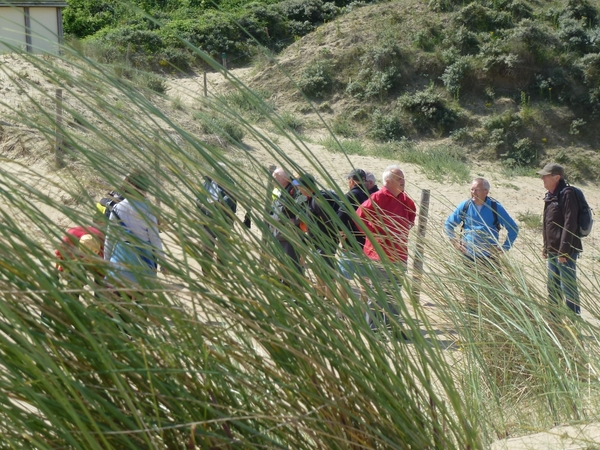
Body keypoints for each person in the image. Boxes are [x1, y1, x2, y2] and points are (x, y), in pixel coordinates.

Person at [356, 165, 416, 330]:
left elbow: (411, 218)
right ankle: (373, 327)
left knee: (394, 294)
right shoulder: (378, 197)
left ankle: (392, 327)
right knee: (377, 292)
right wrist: (373, 236)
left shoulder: (406, 200)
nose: (403, 181)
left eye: (403, 178)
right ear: (388, 181)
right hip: (378, 255)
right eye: (399, 178)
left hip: (400, 255)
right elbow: (359, 217)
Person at [104, 169, 165, 289]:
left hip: (120, 262)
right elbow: (155, 239)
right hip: (143, 263)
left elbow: (109, 239)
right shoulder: (147, 210)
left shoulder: (117, 208)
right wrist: (163, 262)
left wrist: (107, 262)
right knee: (142, 301)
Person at [445, 178, 519, 270]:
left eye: (477, 190)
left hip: (489, 258)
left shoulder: (495, 207)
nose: (473, 192)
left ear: (486, 192)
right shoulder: (465, 206)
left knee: (493, 284)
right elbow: (448, 224)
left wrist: (504, 247)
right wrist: (455, 242)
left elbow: (513, 229)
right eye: (472, 189)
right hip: (469, 256)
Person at [538, 163, 581, 315]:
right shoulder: (551, 195)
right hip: (552, 249)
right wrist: (546, 246)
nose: (542, 178)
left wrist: (564, 251)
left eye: (546, 175)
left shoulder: (566, 193)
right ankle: (554, 319)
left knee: (567, 286)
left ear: (556, 177)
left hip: (565, 250)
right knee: (553, 285)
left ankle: (573, 320)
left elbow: (570, 223)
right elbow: (547, 223)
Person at [294, 173, 341, 298]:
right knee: (320, 271)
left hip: (325, 243)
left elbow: (329, 221)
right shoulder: (312, 199)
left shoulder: (317, 200)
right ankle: (320, 296)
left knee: (327, 272)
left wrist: (332, 238)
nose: (299, 190)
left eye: (300, 187)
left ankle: (329, 299)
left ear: (307, 187)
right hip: (319, 242)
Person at [196, 166, 238, 275]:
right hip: (208, 220)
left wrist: (215, 204)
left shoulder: (229, 184)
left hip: (224, 221)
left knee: (223, 248)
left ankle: (222, 271)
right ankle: (206, 272)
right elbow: (199, 197)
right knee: (207, 246)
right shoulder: (207, 182)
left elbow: (229, 200)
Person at [337, 169, 369, 281]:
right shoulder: (370, 195)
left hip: (352, 244)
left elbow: (340, 219)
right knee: (365, 280)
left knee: (343, 279)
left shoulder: (350, 196)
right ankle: (364, 299)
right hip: (368, 245)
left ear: (351, 181)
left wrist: (343, 239)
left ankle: (341, 299)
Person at [270, 168, 302, 276]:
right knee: (281, 259)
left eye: (275, 178)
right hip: (279, 232)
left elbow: (305, 208)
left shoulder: (295, 191)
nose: (272, 180)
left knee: (291, 261)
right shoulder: (282, 190)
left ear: (283, 179)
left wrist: (295, 220)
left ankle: (294, 286)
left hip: (289, 234)